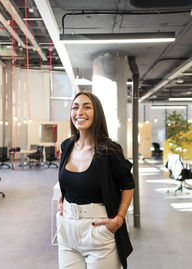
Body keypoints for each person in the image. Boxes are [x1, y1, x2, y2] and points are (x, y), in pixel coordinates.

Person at [57, 91, 135, 269]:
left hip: (98, 231)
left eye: (87, 107)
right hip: (67, 231)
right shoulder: (67, 145)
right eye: (75, 107)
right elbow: (68, 181)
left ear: (97, 113)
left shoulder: (110, 150)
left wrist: (120, 218)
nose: (79, 112)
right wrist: (62, 198)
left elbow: (128, 184)